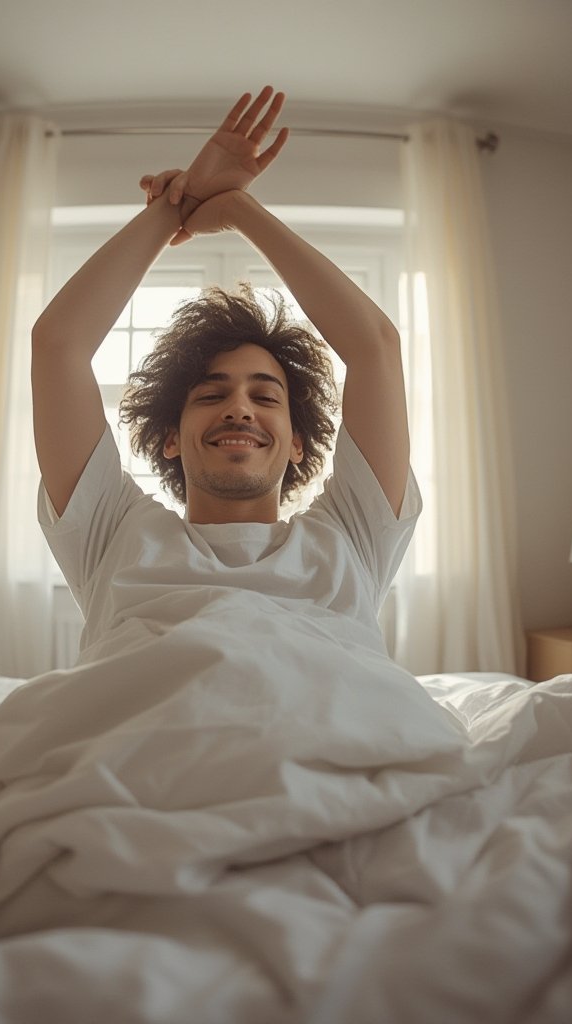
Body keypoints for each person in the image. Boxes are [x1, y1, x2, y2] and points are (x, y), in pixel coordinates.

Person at [31, 86, 421, 666]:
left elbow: (377, 347)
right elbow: (57, 344)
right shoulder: (113, 533)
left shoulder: (350, 537)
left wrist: (239, 208)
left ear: (296, 443)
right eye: (212, 393)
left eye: (265, 395)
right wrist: (171, 210)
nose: (239, 407)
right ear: (167, 436)